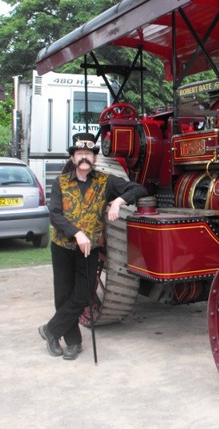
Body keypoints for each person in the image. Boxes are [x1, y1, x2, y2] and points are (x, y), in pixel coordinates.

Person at [39, 132, 148, 360]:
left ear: (94, 158)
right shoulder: (60, 182)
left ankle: (50, 330)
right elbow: (55, 215)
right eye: (80, 154)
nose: (84, 158)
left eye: (88, 154)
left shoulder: (105, 181)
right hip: (63, 247)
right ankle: (73, 342)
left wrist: (118, 201)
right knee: (63, 295)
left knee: (84, 295)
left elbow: (139, 189)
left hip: (90, 249)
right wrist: (77, 233)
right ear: (73, 157)